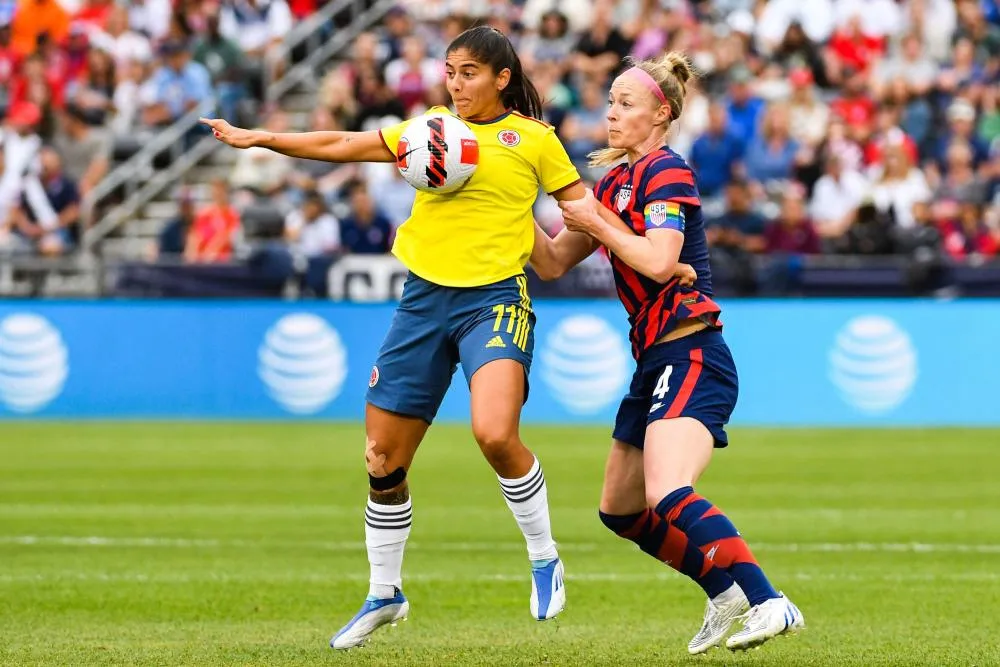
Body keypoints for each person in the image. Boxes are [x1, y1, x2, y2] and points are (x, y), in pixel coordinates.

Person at [202, 25, 588, 649]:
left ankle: (544, 557)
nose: (456, 84)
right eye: (450, 71)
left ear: (502, 78)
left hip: (493, 300)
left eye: (468, 73)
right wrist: (264, 139)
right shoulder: (430, 130)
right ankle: (385, 593)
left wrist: (595, 245)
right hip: (421, 302)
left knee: (493, 432)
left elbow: (582, 212)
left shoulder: (534, 141)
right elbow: (345, 143)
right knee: (383, 462)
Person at [529, 52, 805, 655]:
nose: (611, 113)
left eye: (625, 104)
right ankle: (722, 590)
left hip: (692, 352)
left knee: (669, 493)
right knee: (621, 509)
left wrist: (599, 224)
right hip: (654, 360)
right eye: (609, 103)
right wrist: (505, 199)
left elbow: (657, 259)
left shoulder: (667, 171)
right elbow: (550, 262)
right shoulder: (613, 184)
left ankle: (769, 601)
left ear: (662, 114)